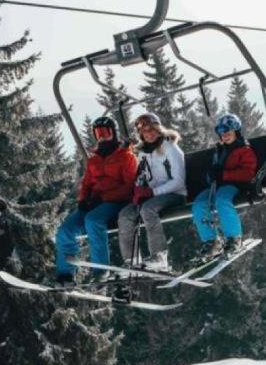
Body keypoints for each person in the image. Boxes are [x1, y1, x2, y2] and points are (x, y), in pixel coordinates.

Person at [56, 116, 137, 285]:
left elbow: (129, 187)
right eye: (98, 133)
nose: (101, 137)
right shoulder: (94, 160)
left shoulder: (126, 157)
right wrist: (83, 200)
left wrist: (104, 197)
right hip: (94, 203)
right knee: (66, 230)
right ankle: (65, 275)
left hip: (117, 201)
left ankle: (101, 270)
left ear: (113, 133)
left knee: (93, 221)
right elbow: (86, 184)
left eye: (105, 133)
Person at [116, 112, 187, 273]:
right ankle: (131, 260)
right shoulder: (143, 152)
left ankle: (159, 256)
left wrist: (152, 192)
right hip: (152, 195)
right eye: (144, 133)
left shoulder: (170, 148)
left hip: (175, 194)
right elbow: (142, 175)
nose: (148, 135)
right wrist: (138, 191)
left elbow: (179, 181)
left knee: (147, 209)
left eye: (151, 130)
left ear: (158, 128)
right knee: (125, 214)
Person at [191, 113, 258, 259]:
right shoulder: (220, 151)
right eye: (222, 134)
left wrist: (224, 175)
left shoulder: (244, 150)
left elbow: (248, 174)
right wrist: (212, 175)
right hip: (218, 185)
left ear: (236, 132)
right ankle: (212, 241)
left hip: (235, 185)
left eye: (228, 133)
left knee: (222, 201)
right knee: (199, 204)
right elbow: (214, 171)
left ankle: (234, 238)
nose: (225, 136)